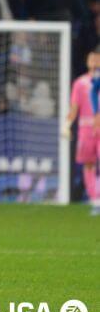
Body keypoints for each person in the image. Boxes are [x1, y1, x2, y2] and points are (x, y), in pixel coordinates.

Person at [63, 48, 100, 215]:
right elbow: (74, 107)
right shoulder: (80, 83)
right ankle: (95, 200)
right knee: (89, 164)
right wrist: (67, 124)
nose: (93, 63)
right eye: (91, 59)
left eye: (96, 59)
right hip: (86, 128)